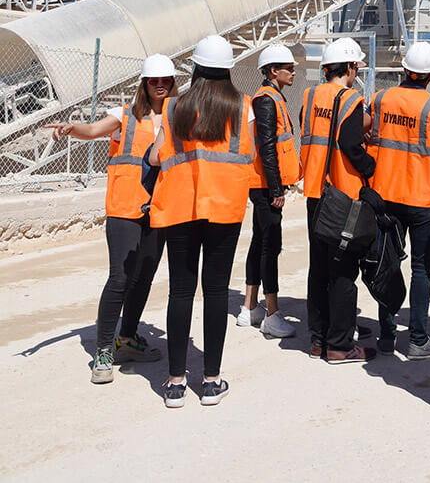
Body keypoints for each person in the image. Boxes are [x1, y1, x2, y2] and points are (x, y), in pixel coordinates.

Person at [45, 53, 176, 384]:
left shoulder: (178, 116)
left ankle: (126, 339)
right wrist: (71, 128)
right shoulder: (125, 115)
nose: (160, 85)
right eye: (154, 80)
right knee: (120, 278)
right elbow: (92, 130)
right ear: (145, 84)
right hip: (125, 207)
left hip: (160, 208)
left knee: (144, 276)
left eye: (165, 80)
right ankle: (103, 350)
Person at [149, 34, 252, 407]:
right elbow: (251, 153)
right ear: (228, 69)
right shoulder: (243, 107)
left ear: (194, 67)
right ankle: (211, 381)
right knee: (216, 291)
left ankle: (175, 383)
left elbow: (157, 157)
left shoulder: (174, 107)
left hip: (181, 208)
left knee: (180, 291)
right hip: (225, 209)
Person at [367, 40, 430, 358]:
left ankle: (387, 336)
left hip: (386, 196)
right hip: (422, 199)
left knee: (388, 265)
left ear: (404, 69)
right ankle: (418, 340)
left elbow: (362, 131)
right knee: (421, 269)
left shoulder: (380, 99)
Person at [301, 37, 377, 364]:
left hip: (315, 191)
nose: (356, 71)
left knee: (318, 268)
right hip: (342, 196)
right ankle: (340, 345)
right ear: (348, 67)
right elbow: (349, 143)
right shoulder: (350, 99)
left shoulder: (310, 96)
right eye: (356, 66)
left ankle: (318, 339)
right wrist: (370, 166)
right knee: (343, 272)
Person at [237, 43, 301, 339]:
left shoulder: (273, 97)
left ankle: (249, 307)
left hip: (266, 184)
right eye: (289, 68)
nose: (294, 72)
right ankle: (272, 314)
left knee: (260, 242)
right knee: (270, 247)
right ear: (273, 71)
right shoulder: (266, 100)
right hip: (265, 185)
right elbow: (267, 148)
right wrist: (276, 189)